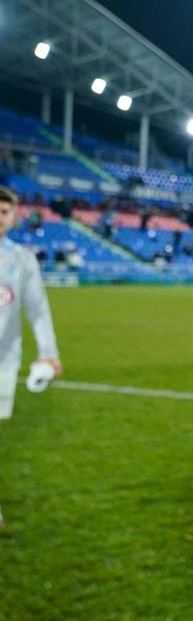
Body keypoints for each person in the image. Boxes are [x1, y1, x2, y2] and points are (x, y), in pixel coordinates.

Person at [0, 186, 64, 533]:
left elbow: (38, 310)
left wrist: (49, 353)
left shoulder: (21, 258)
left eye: (4, 212)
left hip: (4, 361)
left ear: (13, 216)